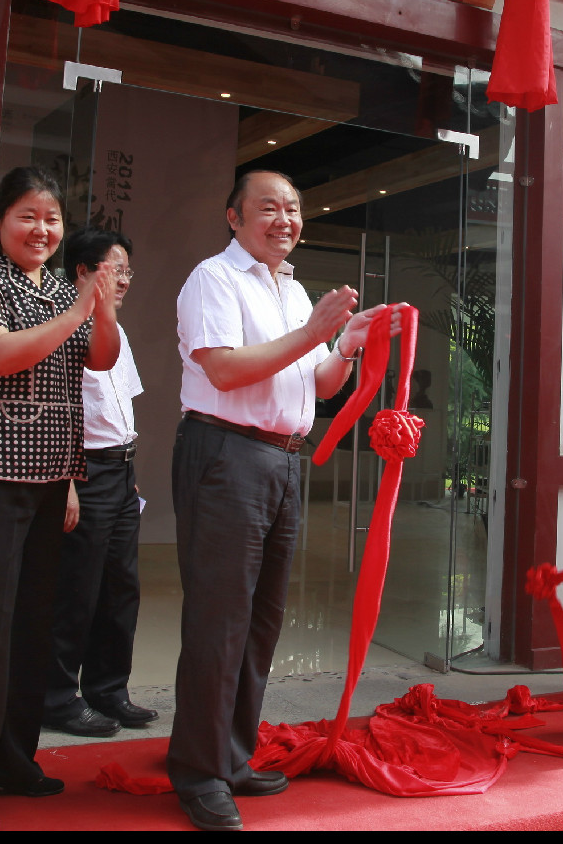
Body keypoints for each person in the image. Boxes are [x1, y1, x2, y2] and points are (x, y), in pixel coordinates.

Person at [167, 169, 393, 831]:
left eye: (293, 209)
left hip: (281, 461)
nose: (284, 220)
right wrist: (313, 330)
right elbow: (225, 369)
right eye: (268, 208)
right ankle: (200, 771)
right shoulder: (213, 278)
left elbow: (317, 386)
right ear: (233, 216)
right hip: (224, 452)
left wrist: (345, 345)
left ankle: (232, 755)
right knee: (219, 618)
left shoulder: (291, 289)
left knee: (261, 620)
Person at [0, 166, 120, 830]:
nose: (42, 229)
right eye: (28, 216)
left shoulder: (63, 290)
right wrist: (77, 311)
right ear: (1, 218)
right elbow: (0, 357)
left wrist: (103, 306)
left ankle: (11, 760)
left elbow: (100, 362)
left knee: (29, 631)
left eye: (52, 219)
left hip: (45, 483)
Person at [39, 226, 155, 737]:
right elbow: (55, 411)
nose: (124, 279)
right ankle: (57, 698)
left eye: (128, 270)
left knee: (120, 588)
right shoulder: (60, 323)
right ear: (83, 272)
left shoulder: (116, 331)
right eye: (115, 269)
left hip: (120, 469)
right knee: (75, 590)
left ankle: (109, 690)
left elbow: (121, 407)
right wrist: (65, 478)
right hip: (81, 467)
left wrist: (131, 476)